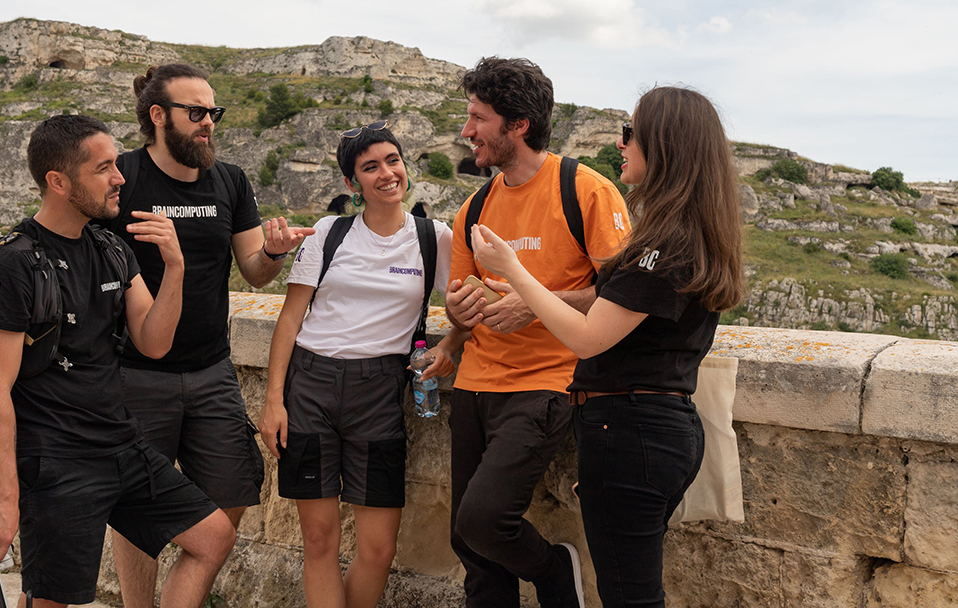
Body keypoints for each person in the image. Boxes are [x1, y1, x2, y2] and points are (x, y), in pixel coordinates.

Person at [469, 86, 745, 608]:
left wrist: (514, 272)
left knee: (630, 597)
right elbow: (613, 314)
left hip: (632, 432)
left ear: (663, 145)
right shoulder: (684, 233)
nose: (620, 144)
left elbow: (589, 336)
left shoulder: (666, 243)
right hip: (643, 431)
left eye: (629, 133)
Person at [0, 114, 236, 608]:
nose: (120, 178)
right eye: (105, 168)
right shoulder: (11, 265)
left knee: (213, 536)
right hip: (57, 462)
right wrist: (5, 500)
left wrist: (175, 266)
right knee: (54, 600)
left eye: (117, 165)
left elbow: (153, 341)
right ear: (59, 181)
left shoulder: (110, 248)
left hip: (120, 447)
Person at [105, 63, 313, 608]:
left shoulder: (231, 180)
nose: (208, 124)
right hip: (135, 374)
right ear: (158, 116)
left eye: (213, 113)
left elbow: (253, 270)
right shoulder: (122, 178)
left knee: (231, 497)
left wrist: (273, 250)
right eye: (196, 112)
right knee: (137, 508)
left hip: (211, 372)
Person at [440, 57, 631, 608]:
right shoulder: (474, 208)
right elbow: (457, 310)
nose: (466, 131)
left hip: (547, 383)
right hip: (475, 386)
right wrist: (460, 308)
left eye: (477, 117)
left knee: (482, 520)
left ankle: (552, 570)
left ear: (517, 125)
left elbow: (622, 294)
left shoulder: (585, 191)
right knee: (468, 543)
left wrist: (535, 306)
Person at [257, 120, 462, 608]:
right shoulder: (329, 233)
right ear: (353, 183)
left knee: (377, 549)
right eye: (370, 167)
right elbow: (290, 319)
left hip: (380, 393)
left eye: (393, 160)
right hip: (310, 387)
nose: (386, 173)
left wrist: (451, 344)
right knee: (321, 541)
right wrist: (273, 402)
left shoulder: (435, 238)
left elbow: (468, 307)